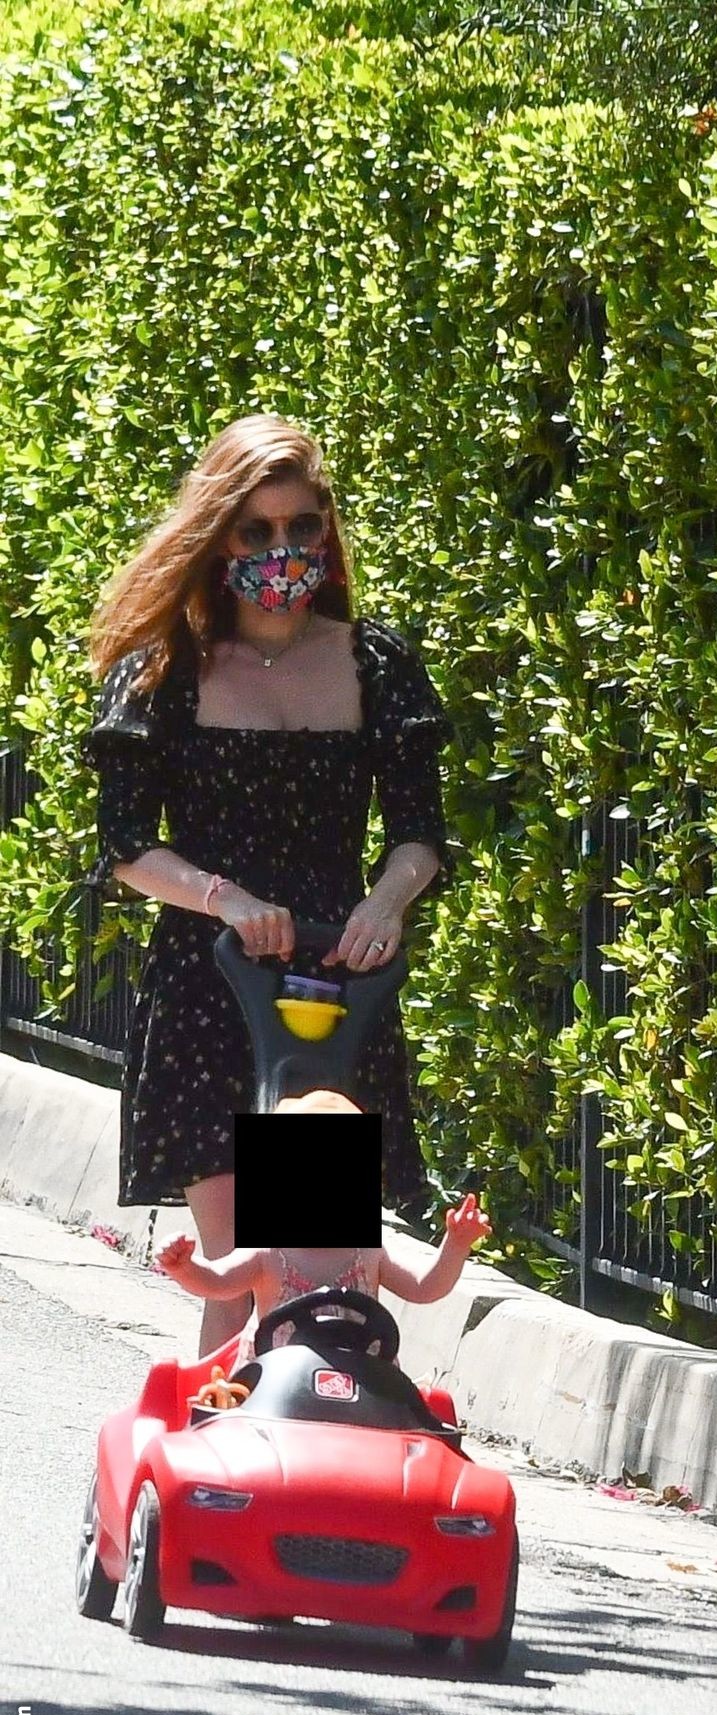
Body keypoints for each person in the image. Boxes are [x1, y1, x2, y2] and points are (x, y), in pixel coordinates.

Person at [84, 414, 451, 1354]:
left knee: (312, 1262)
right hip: (211, 983)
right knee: (239, 1264)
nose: (282, 550)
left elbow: (419, 836)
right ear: (220, 539)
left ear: (328, 530)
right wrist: (228, 899)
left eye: (301, 526)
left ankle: (311, 1425)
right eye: (256, 530)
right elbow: (125, 846)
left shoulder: (375, 665)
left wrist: (385, 903)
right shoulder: (165, 673)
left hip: (330, 987)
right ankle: (214, 1433)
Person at [153, 1091, 491, 1369]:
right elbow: (218, 1283)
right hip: (271, 1396)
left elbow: (425, 1288)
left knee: (421, 1414)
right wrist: (185, 1267)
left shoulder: (367, 1252)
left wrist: (456, 1245)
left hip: (365, 1389)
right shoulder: (267, 1253)